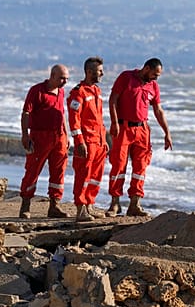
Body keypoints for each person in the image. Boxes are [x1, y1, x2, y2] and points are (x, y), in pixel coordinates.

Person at [107, 58, 173, 217]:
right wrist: (114, 123)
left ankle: (135, 203)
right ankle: (115, 203)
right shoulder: (126, 77)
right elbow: (113, 100)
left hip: (142, 130)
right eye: (154, 74)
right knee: (118, 166)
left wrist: (167, 133)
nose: (156, 78)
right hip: (123, 128)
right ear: (146, 68)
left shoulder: (153, 86)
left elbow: (158, 110)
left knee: (140, 167)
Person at [18, 65, 71, 219]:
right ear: (52, 76)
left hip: (59, 137)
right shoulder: (37, 90)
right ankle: (25, 205)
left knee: (59, 171)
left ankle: (54, 205)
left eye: (66, 79)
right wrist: (25, 134)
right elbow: (26, 112)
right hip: (40, 136)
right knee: (33, 170)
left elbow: (62, 114)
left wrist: (66, 136)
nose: (64, 82)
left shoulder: (61, 92)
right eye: (62, 78)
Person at [67, 57, 108, 221]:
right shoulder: (79, 92)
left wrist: (104, 140)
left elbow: (98, 118)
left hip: (98, 141)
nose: (102, 74)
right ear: (89, 72)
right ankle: (80, 209)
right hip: (87, 142)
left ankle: (89, 204)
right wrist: (79, 141)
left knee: (96, 176)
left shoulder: (96, 91)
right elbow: (74, 120)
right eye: (99, 71)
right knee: (83, 175)